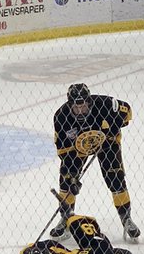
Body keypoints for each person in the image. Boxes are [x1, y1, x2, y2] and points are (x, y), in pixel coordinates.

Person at [51, 84, 139, 242]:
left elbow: (127, 112)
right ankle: (66, 218)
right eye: (76, 108)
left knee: (115, 178)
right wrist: (72, 177)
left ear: (89, 102)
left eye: (84, 107)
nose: (80, 111)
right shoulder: (61, 117)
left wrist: (116, 124)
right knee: (66, 180)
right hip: (77, 149)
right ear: (70, 105)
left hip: (107, 144)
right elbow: (64, 150)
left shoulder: (106, 105)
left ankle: (126, 218)